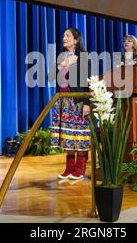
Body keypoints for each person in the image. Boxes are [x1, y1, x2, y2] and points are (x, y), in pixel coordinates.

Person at [49, 28, 91, 180]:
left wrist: (87, 103)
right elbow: (51, 77)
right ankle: (69, 168)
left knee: (78, 136)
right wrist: (64, 64)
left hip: (78, 101)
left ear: (76, 40)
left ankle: (80, 169)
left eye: (67, 35)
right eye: (63, 35)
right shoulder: (62, 57)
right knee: (67, 135)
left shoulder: (84, 58)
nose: (64, 37)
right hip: (63, 102)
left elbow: (90, 83)